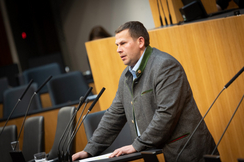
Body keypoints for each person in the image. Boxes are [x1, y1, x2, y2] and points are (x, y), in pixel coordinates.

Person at [72, 21, 218, 162]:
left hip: (187, 152)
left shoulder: (165, 66)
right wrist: (89, 150)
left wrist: (137, 145)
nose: (118, 49)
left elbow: (166, 114)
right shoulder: (126, 76)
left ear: (140, 42)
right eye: (117, 45)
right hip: (155, 153)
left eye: (123, 43)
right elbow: (114, 115)